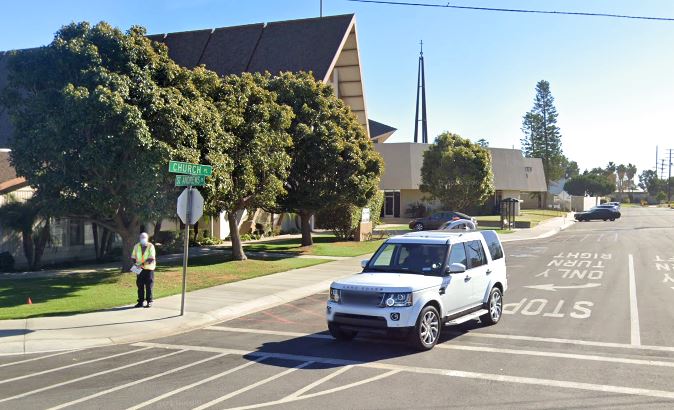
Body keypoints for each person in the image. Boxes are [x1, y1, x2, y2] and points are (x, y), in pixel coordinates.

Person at [131, 232, 156, 308]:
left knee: (149, 286)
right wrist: (135, 264)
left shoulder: (150, 246)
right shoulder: (136, 246)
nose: (143, 239)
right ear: (139, 238)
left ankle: (149, 301)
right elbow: (133, 257)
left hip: (148, 269)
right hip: (139, 269)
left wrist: (141, 264)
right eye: (141, 238)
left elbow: (151, 258)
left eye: (144, 238)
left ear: (147, 238)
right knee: (140, 286)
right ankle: (140, 302)